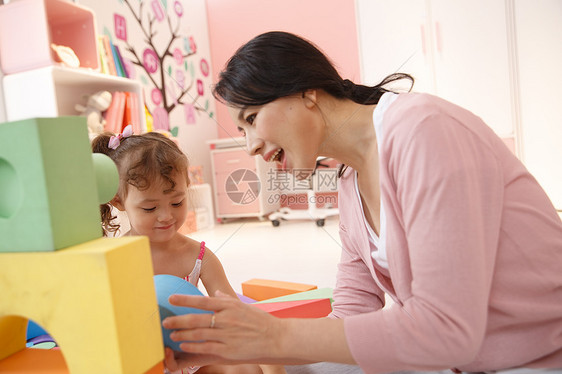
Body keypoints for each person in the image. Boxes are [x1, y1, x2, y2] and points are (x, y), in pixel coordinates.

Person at [160, 31, 562, 374]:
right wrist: (248, 355)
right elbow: (352, 317)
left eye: (250, 119)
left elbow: (447, 330)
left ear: (305, 93)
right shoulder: (350, 183)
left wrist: (274, 335)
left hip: (539, 358)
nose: (250, 147)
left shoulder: (423, 131)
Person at [92, 126, 285, 374]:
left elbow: (236, 317)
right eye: (150, 209)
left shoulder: (199, 257)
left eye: (177, 202)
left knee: (250, 366)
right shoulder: (111, 257)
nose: (166, 216)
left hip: (192, 361)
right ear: (118, 200)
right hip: (139, 362)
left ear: (187, 187)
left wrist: (271, 363)